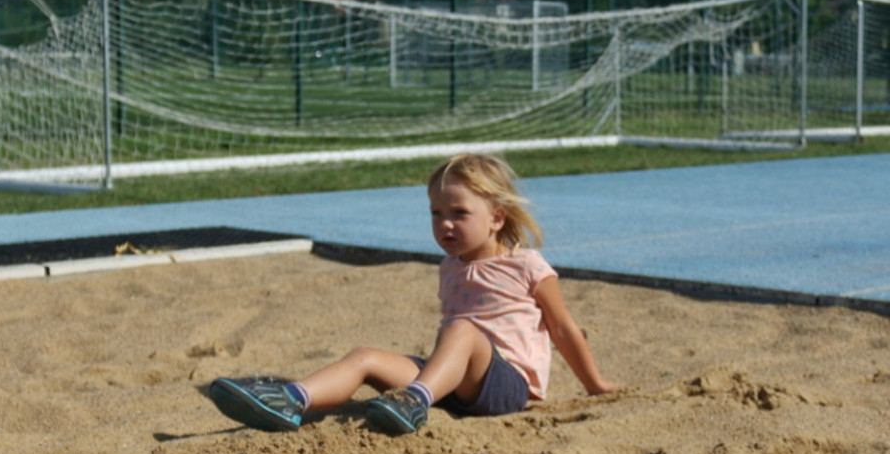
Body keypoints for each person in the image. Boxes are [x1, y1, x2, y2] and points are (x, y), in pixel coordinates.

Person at [208, 153, 619, 435]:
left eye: (459, 213)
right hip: (453, 385)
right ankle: (291, 399)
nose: (445, 225)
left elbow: (563, 329)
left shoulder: (528, 265)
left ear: (496, 218)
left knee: (463, 329)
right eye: (436, 214)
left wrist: (595, 384)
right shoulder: (449, 266)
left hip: (505, 386)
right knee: (365, 357)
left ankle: (415, 400)